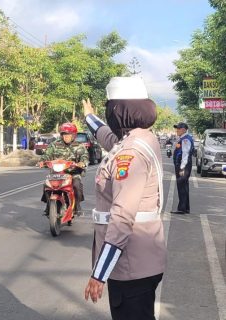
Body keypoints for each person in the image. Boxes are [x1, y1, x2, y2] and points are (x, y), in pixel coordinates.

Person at [82, 76, 166, 320]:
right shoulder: (142, 138)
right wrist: (90, 117)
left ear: (118, 110)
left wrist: (100, 273)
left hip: (131, 264)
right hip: (145, 258)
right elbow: (108, 138)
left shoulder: (130, 153)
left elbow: (122, 216)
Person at [40, 122, 88, 215]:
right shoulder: (54, 145)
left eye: (68, 135)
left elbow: (84, 157)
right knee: (47, 185)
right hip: (57, 172)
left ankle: (77, 205)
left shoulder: (79, 146)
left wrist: (82, 163)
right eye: (64, 135)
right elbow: (47, 155)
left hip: (72, 172)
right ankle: (49, 205)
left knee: (77, 185)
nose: (66, 137)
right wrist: (42, 161)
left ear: (73, 135)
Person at [172, 122, 194, 214]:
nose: (177, 130)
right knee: (183, 186)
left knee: (181, 186)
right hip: (183, 165)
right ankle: (185, 208)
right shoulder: (183, 138)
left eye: (179, 128)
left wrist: (181, 167)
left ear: (184, 129)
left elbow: (185, 154)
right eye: (177, 128)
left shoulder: (185, 139)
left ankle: (182, 209)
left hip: (183, 166)